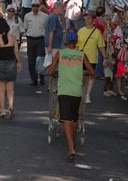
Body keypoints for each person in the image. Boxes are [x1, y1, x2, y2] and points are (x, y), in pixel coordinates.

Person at [48, 31, 95, 162]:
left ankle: (71, 147)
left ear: (66, 42)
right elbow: (92, 71)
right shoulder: (81, 55)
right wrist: (81, 71)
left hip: (64, 91)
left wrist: (57, 70)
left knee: (66, 121)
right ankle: (72, 144)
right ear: (76, 42)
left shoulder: (60, 54)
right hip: (77, 91)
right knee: (73, 120)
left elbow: (50, 71)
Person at [0, 18, 21, 118]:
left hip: (0, 63)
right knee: (10, 89)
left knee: (0, 89)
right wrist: (19, 62)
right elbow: (16, 52)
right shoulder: (12, 38)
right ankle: (11, 106)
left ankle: (2, 110)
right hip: (11, 64)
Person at [77, 14, 107, 103]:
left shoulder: (97, 32)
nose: (86, 19)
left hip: (92, 58)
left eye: (89, 18)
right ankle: (80, 92)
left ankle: (87, 94)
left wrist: (105, 58)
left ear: (93, 20)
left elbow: (101, 46)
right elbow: (76, 45)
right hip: (80, 57)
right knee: (81, 76)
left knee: (91, 76)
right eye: (86, 18)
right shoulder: (81, 31)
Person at [23, 0, 48, 86]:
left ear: (39, 6)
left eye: (37, 5)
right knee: (31, 60)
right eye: (33, 6)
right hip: (30, 40)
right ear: (31, 6)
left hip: (41, 39)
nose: (35, 7)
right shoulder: (27, 16)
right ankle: (34, 79)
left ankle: (42, 78)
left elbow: (47, 29)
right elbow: (25, 28)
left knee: (40, 60)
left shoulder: (45, 16)